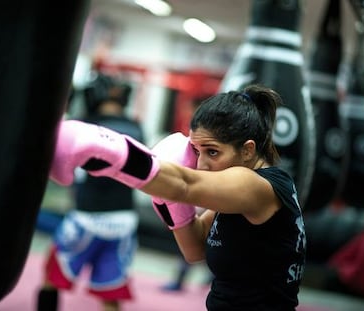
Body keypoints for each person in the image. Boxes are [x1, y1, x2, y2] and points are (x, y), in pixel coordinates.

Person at [49, 84, 307, 311]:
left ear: (248, 150)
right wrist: (169, 203)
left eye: (213, 152)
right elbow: (194, 249)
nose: (202, 164)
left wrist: (104, 147)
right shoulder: (235, 195)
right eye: (196, 150)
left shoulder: (255, 187)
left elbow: (184, 183)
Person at [36, 73, 145, 311]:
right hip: (125, 221)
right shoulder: (137, 127)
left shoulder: (84, 125)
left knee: (52, 276)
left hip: (86, 218)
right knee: (110, 289)